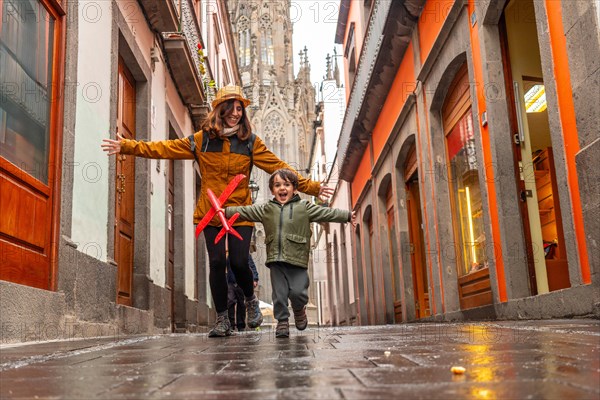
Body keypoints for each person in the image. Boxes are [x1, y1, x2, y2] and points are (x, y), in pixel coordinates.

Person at [101, 85, 333, 338]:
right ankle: (222, 319)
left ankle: (251, 299)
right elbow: (165, 147)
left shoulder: (250, 143)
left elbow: (279, 166)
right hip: (211, 212)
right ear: (220, 109)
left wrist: (312, 187)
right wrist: (127, 146)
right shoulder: (202, 140)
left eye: (239, 109)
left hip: (240, 212)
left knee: (238, 261)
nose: (236, 113)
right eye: (231, 107)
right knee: (217, 262)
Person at [223, 168, 356, 338]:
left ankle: (300, 310)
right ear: (272, 190)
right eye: (277, 185)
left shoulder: (304, 207)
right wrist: (225, 211)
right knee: (279, 294)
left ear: (294, 188)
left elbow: (326, 212)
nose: (282, 188)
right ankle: (282, 322)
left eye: (286, 184)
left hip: (297, 258)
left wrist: (345, 215)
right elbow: (247, 211)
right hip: (276, 259)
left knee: (298, 292)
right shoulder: (266, 209)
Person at [227, 254, 259, 331]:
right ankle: (231, 325)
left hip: (241, 282)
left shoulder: (246, 254)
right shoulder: (229, 256)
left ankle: (241, 325)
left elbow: (252, 267)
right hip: (231, 282)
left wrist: (255, 279)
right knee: (230, 301)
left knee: (241, 304)